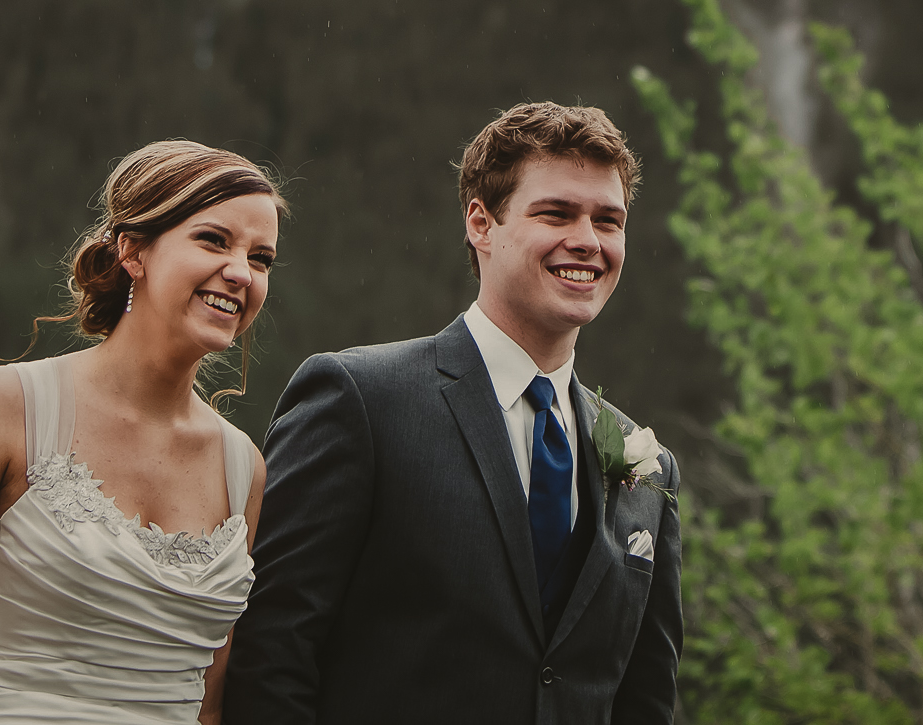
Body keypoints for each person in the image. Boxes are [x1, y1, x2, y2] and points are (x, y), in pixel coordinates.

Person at [224, 102, 681, 724]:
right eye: (556, 213)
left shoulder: (647, 464)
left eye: (609, 220)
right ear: (481, 223)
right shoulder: (359, 399)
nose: (588, 240)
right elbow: (273, 650)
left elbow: (645, 697)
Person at [0, 140, 285, 725]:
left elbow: (210, 705)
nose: (241, 272)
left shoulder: (244, 469)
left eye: (261, 258)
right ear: (133, 251)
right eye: (213, 240)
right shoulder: (9, 405)